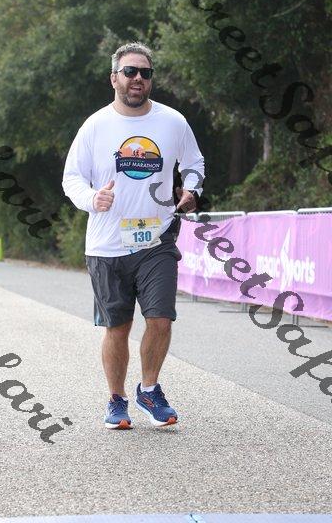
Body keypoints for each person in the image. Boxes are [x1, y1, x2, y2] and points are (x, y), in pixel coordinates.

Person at [62, 42, 205, 429]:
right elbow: (72, 178)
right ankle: (116, 399)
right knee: (118, 327)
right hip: (107, 245)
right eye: (130, 72)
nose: (138, 78)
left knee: (161, 318)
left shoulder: (173, 122)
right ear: (114, 78)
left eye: (145, 72)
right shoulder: (95, 126)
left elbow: (194, 163)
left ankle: (150, 389)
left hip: (157, 240)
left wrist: (192, 189)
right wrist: (93, 199)